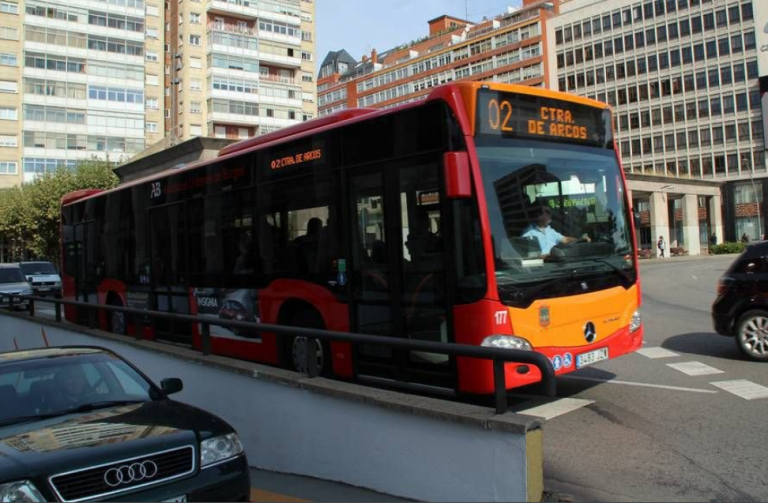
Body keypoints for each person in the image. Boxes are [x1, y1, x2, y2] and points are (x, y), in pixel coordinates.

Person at [521, 206, 590, 256]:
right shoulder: (528, 233)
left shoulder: (550, 230)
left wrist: (580, 240)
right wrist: (546, 256)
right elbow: (527, 255)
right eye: (547, 212)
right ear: (539, 216)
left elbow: (565, 239)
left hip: (555, 264)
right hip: (540, 268)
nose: (550, 214)